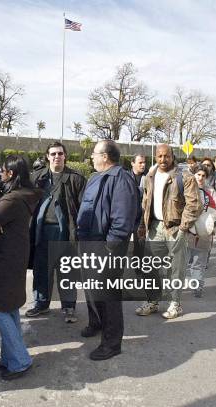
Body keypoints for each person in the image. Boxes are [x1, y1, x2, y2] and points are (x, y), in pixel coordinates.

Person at [0, 155, 41, 380]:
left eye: (2, 171)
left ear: (11, 174)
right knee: (9, 307)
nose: (0, 174)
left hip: (6, 259)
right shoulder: (20, 195)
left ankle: (20, 361)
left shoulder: (13, 199)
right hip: (12, 256)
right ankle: (9, 358)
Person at [76, 140, 138, 360]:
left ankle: (112, 343)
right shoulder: (95, 177)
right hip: (89, 244)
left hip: (107, 248)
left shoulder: (121, 179)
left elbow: (122, 220)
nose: (91, 157)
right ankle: (97, 323)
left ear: (105, 156)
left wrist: (110, 248)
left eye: (94, 153)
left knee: (109, 295)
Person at [136, 144, 202, 319]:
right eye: (159, 156)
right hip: (154, 227)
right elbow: (146, 201)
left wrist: (183, 228)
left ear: (173, 157)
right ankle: (153, 301)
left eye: (166, 156)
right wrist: (143, 225)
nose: (163, 160)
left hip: (176, 228)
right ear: (155, 157)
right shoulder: (150, 175)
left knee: (176, 268)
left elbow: (194, 204)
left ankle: (175, 303)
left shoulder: (184, 177)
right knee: (150, 266)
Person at [27, 142, 86, 324]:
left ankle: (69, 306)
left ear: (65, 156)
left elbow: (84, 207)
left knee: (67, 271)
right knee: (42, 270)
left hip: (66, 232)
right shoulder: (37, 177)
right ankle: (41, 303)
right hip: (41, 231)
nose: (56, 157)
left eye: (60, 153)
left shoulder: (75, 178)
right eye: (53, 154)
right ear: (47, 157)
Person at [187, 164, 216, 297]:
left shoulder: (210, 191)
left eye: (203, 176)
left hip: (204, 231)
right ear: (194, 175)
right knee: (183, 260)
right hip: (188, 230)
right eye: (198, 175)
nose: (200, 178)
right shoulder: (186, 189)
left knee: (199, 261)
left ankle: (197, 286)